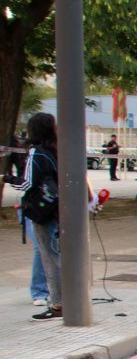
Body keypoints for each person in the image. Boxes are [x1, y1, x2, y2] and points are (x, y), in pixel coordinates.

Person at [4, 113, 62, 321]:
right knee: (54, 254)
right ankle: (61, 299)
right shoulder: (55, 151)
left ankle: (57, 303)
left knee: (48, 256)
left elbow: (27, 183)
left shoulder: (36, 153)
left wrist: (7, 178)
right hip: (55, 208)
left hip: (41, 211)